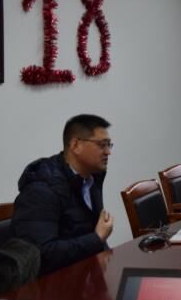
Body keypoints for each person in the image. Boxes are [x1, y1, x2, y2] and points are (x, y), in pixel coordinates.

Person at [11, 114, 115, 275]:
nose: (108, 152)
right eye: (102, 145)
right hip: (51, 284)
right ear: (76, 145)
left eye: (109, 145)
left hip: (85, 275)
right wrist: (97, 238)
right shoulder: (41, 189)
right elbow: (41, 255)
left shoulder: (92, 177)